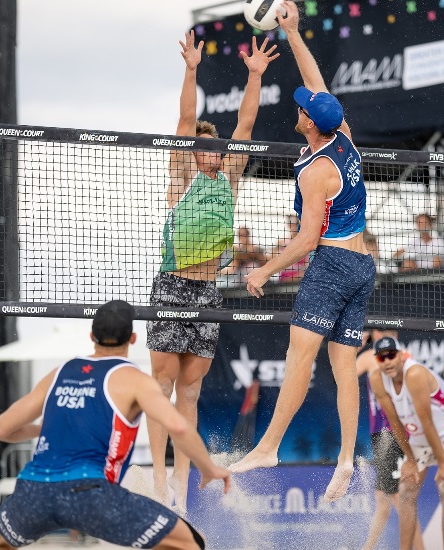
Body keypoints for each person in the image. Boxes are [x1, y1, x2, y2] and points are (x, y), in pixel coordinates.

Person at [229, 0, 375, 503]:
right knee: (343, 369)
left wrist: (266, 268)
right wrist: (292, 31)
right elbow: (316, 83)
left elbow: (308, 240)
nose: (297, 108)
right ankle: (346, 459)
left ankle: (269, 446)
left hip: (332, 265)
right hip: (362, 266)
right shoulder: (344, 138)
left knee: (298, 360)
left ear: (311, 124)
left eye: (301, 110)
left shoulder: (316, 172)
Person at [146, 29, 277, 511]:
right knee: (161, 387)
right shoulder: (181, 174)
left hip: (208, 292)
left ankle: (180, 486)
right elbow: (184, 119)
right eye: (203, 145)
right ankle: (157, 477)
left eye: (214, 147)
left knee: (191, 391)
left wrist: (255, 76)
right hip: (173, 285)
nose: (210, 151)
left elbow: (245, 122)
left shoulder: (230, 178)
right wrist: (192, 68)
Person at [0, 300, 231, 550]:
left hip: (32, 493)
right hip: (89, 495)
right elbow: (178, 428)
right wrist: (208, 467)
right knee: (191, 543)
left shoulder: (60, 372)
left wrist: (40, 430)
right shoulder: (133, 379)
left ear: (92, 336)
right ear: (134, 338)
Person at [368, 337, 444, 550]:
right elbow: (395, 422)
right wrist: (411, 460)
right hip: (420, 432)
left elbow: (428, 421)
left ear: (401, 355)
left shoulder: (413, 374)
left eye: (391, 355)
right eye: (381, 357)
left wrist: (443, 463)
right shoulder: (377, 379)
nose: (387, 361)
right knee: (406, 490)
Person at [355, 331, 424, 550]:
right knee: (383, 500)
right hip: (384, 435)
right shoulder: (372, 357)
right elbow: (344, 375)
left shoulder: (400, 358)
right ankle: (368, 547)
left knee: (400, 501)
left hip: (392, 435)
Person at [273, 213, 309, 283]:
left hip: (299, 279)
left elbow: (307, 265)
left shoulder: (306, 243)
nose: (294, 226)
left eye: (296, 223)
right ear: (288, 225)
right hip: (284, 280)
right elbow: (272, 260)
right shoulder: (282, 243)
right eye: (292, 223)